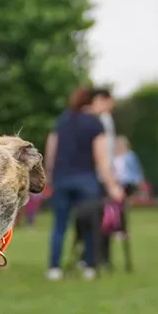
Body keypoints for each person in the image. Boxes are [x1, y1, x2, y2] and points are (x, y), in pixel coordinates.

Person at [44, 86, 124, 281]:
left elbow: (51, 149)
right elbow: (101, 158)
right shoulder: (95, 124)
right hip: (86, 180)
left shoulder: (63, 119)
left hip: (62, 179)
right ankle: (89, 265)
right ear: (93, 101)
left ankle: (54, 267)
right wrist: (113, 185)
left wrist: (49, 175)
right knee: (90, 225)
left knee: (59, 226)